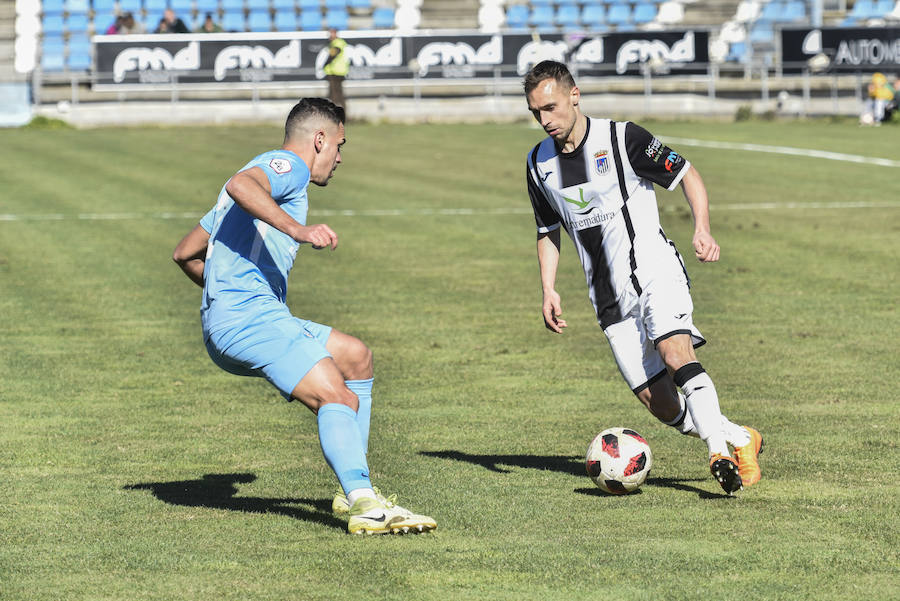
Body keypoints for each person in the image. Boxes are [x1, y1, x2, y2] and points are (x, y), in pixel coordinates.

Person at [172, 98, 437, 534]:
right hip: (248, 319)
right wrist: (298, 230)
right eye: (339, 145)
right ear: (320, 139)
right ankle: (365, 503)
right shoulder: (286, 166)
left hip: (243, 317)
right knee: (338, 395)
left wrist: (223, 295)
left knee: (355, 358)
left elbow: (184, 253)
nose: (339, 158)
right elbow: (241, 183)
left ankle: (352, 488)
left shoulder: (253, 190)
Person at [521, 60, 762, 494]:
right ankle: (741, 438)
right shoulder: (538, 164)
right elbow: (546, 230)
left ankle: (718, 450)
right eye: (536, 112)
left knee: (675, 352)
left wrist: (701, 227)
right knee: (662, 403)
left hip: (654, 269)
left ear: (575, 95)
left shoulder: (622, 137)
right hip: (608, 302)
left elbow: (686, 173)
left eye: (552, 108)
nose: (545, 120)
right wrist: (548, 288)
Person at [322, 29, 349, 115]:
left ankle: (336, 115)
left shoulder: (337, 43)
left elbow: (333, 55)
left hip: (335, 72)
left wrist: (325, 64)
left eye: (331, 34)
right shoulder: (338, 43)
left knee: (334, 95)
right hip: (338, 72)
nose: (330, 36)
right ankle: (342, 114)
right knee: (338, 94)